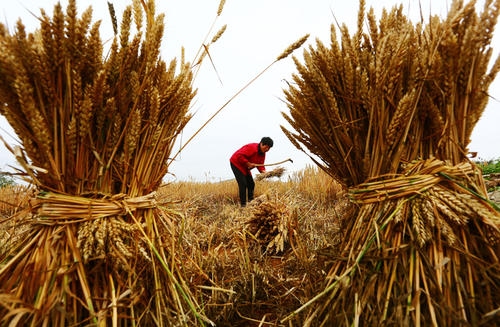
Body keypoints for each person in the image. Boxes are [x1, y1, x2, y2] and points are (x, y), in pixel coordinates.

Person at [230, 137, 273, 207]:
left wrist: (265, 173)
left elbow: (260, 165)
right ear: (261, 144)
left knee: (251, 184)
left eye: (269, 148)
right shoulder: (252, 147)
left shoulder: (263, 154)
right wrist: (248, 163)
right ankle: (243, 205)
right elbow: (239, 155)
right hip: (236, 163)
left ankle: (251, 203)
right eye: (266, 147)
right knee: (243, 184)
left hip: (246, 167)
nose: (267, 149)